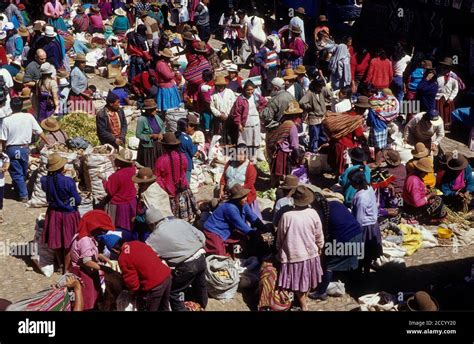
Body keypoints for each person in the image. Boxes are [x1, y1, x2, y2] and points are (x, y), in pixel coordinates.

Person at [145, 208, 208, 311]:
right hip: (201, 257)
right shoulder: (178, 222)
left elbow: (150, 260)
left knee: (174, 292)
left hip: (187, 266)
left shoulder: (152, 239)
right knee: (200, 283)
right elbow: (201, 236)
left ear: (151, 224)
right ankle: (201, 306)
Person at [276, 185, 324, 311]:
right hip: (310, 253)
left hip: (294, 254)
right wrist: (320, 246)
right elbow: (319, 234)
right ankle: (303, 300)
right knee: (306, 280)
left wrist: (279, 249)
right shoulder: (313, 213)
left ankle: (303, 304)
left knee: (297, 282)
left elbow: (280, 236)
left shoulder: (287, 216)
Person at [309, 192, 363, 300]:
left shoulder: (320, 214)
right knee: (353, 257)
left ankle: (321, 292)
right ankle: (356, 282)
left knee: (330, 264)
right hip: (358, 234)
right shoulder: (336, 204)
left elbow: (322, 235)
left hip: (345, 239)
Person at [0, 98, 49, 202]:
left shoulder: (6, 120)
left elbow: (3, 139)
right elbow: (40, 131)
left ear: (11, 107)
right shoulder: (29, 117)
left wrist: (3, 149)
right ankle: (21, 190)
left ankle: (23, 195)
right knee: (22, 171)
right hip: (24, 149)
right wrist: (48, 143)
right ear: (22, 106)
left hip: (12, 149)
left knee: (17, 173)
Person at [41, 153, 81, 273]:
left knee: (57, 241)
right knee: (68, 243)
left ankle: (60, 264)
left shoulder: (44, 180)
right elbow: (76, 200)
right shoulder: (68, 181)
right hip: (68, 215)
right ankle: (67, 269)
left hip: (54, 213)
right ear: (62, 167)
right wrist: (70, 204)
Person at [69, 210, 115, 310]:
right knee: (87, 299)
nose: (100, 232)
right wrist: (103, 268)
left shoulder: (80, 235)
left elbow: (91, 253)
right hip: (85, 274)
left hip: (79, 270)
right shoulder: (85, 241)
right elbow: (86, 261)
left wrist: (105, 258)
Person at [203, 183, 265, 256]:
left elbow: (252, 217)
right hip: (214, 230)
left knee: (243, 241)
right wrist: (256, 234)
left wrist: (263, 228)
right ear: (236, 199)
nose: (245, 199)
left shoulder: (244, 204)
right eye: (243, 197)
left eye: (245, 196)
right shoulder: (230, 208)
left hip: (226, 229)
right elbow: (241, 225)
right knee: (219, 254)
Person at [114, 239, 171, 311]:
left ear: (115, 250)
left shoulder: (123, 258)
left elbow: (132, 283)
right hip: (166, 276)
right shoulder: (137, 243)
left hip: (155, 285)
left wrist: (132, 293)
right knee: (164, 307)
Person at [155, 133, 198, 223]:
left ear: (164, 146)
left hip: (169, 193)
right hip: (183, 190)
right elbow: (184, 170)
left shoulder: (161, 160)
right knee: (186, 218)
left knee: (172, 219)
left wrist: (164, 189)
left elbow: (158, 178)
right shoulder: (182, 157)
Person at [348, 167, 382, 274]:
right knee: (368, 253)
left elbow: (359, 218)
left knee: (362, 252)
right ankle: (366, 271)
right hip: (372, 224)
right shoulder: (368, 188)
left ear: (355, 183)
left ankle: (359, 273)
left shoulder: (361, 198)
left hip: (365, 227)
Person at [326, 96, 368, 175]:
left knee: (337, 166)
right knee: (343, 169)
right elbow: (359, 135)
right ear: (361, 109)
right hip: (344, 145)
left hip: (335, 142)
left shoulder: (346, 113)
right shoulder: (355, 120)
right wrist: (364, 140)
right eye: (364, 109)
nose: (364, 111)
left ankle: (337, 180)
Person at [228, 80, 268, 158]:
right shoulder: (240, 99)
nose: (250, 92)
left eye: (251, 89)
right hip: (246, 123)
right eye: (248, 90)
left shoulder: (256, 96)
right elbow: (237, 113)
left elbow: (265, 102)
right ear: (244, 89)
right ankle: (243, 158)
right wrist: (239, 124)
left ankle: (253, 157)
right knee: (244, 141)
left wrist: (260, 109)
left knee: (254, 141)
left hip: (255, 122)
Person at [267, 100, 302, 185]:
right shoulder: (292, 126)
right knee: (286, 173)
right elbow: (294, 144)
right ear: (295, 116)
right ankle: (283, 187)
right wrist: (297, 156)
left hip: (278, 150)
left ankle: (275, 185)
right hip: (284, 152)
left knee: (277, 173)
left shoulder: (284, 123)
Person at [220, 143, 261, 216]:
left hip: (243, 196)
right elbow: (223, 177)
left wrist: (236, 195)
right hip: (229, 194)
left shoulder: (250, 169)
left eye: (241, 154)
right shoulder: (230, 163)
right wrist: (221, 190)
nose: (238, 156)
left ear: (246, 155)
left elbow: (249, 185)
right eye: (237, 154)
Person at [132, 168, 173, 240]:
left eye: (140, 183)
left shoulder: (149, 194)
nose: (138, 185)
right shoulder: (156, 189)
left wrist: (136, 219)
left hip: (153, 227)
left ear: (144, 183)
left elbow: (149, 215)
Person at [101, 149, 137, 231]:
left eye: (117, 159)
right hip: (131, 201)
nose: (115, 160)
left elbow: (110, 191)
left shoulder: (116, 176)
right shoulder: (132, 170)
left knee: (120, 227)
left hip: (120, 205)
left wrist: (104, 180)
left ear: (121, 162)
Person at [403, 157, 446, 224]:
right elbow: (417, 203)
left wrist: (426, 192)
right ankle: (423, 219)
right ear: (421, 171)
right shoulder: (414, 181)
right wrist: (429, 195)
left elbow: (417, 192)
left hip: (410, 204)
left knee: (437, 199)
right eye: (425, 172)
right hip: (412, 209)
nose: (427, 174)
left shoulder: (413, 175)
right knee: (439, 202)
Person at [300, 78, 331, 152]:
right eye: (319, 86)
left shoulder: (321, 91)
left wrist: (325, 102)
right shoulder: (310, 93)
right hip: (314, 118)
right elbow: (301, 102)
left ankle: (323, 150)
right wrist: (310, 107)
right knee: (314, 136)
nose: (320, 88)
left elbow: (330, 95)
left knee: (323, 135)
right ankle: (314, 151)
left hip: (322, 117)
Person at [136, 98, 164, 169]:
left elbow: (163, 126)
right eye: (152, 109)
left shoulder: (156, 117)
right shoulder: (142, 119)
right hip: (148, 147)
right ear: (147, 110)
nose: (155, 111)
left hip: (157, 145)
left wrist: (161, 133)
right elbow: (138, 134)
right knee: (150, 165)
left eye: (155, 109)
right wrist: (150, 136)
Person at [436, 57, 459, 130]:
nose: (444, 67)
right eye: (443, 66)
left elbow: (455, 89)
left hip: (448, 98)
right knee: (439, 112)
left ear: (450, 67)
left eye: (446, 66)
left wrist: (451, 98)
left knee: (447, 113)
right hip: (438, 98)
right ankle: (438, 126)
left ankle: (446, 126)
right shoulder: (439, 76)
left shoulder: (453, 77)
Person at [176, 117, 198, 184]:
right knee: (186, 182)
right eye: (188, 125)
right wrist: (196, 146)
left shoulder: (176, 135)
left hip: (177, 161)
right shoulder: (186, 139)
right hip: (186, 162)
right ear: (185, 127)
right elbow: (192, 152)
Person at [0, 151, 10, 223]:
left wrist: (4, 169)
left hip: (0, 182)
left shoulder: (4, 156)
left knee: (0, 199)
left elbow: (6, 167)